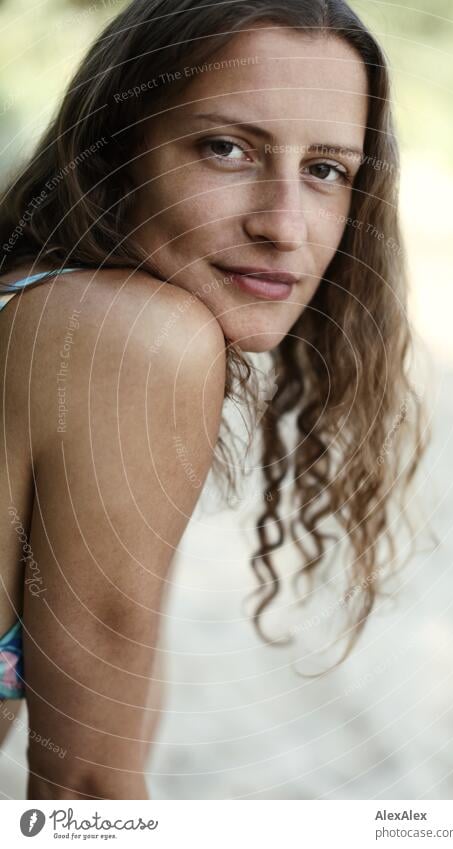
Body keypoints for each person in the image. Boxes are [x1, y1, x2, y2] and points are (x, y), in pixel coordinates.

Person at [0, 0, 425, 800]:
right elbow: (85, 787)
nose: (284, 225)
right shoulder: (133, 339)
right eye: (227, 148)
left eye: (326, 169)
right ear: (116, 150)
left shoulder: (33, 305)